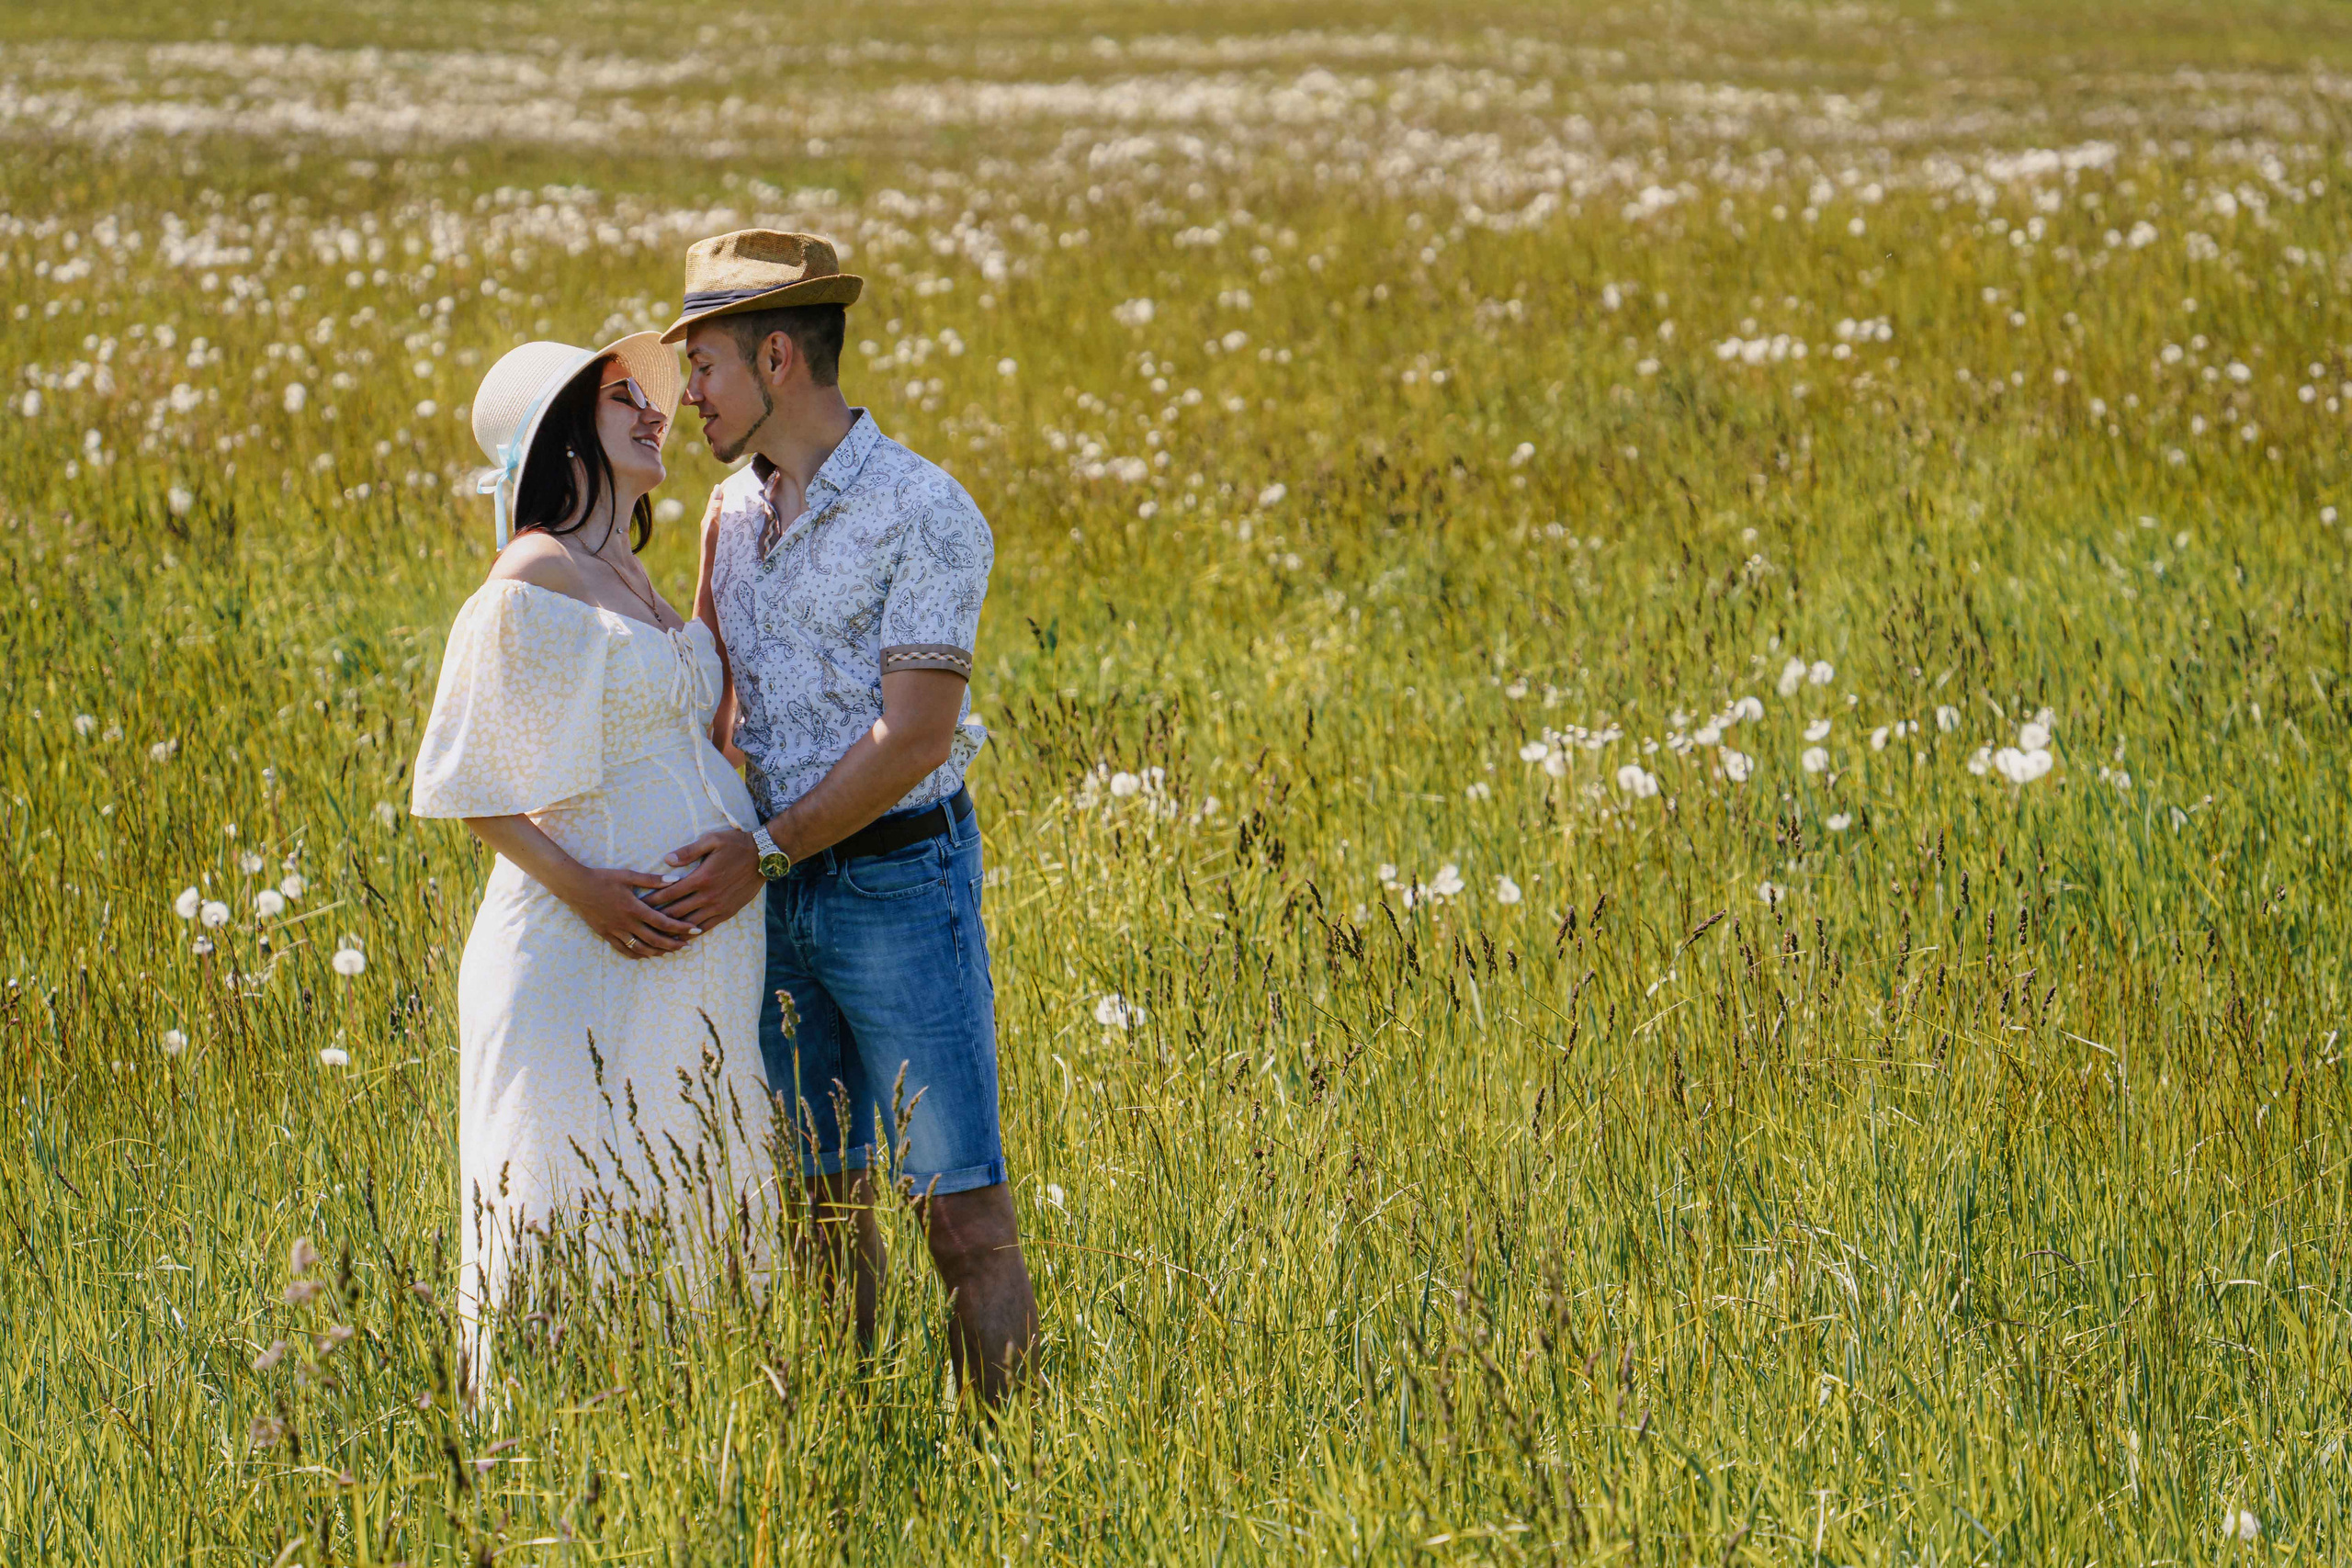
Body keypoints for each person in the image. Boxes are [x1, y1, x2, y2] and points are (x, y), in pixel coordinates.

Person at [642, 230, 1038, 1403]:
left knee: (960, 1213)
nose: (686, 396)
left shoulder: (926, 510)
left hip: (899, 889)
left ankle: (1006, 1486)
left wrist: (759, 851)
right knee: (818, 1210)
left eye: (702, 365)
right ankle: (846, 1461)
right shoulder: (726, 517)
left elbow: (914, 735)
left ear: (777, 357)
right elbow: (722, 710)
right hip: (774, 898)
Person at [409, 332, 777, 1359]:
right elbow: (467, 784)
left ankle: (670, 1438)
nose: (656, 411)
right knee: (570, 1206)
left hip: (685, 957)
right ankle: (548, 1460)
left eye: (653, 396)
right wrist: (592, 895)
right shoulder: (541, 568)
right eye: (624, 397)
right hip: (582, 952)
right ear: (562, 430)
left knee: (680, 1198)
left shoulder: (636, 576)